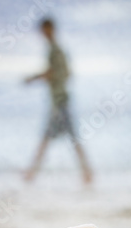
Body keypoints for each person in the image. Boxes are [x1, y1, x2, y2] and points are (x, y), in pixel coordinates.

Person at [24, 18, 92, 183]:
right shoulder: (55, 50)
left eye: (46, 30)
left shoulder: (55, 51)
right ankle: (86, 173)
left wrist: (34, 78)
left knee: (51, 138)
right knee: (66, 139)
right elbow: (64, 73)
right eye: (43, 30)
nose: (44, 33)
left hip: (60, 102)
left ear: (51, 29)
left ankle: (31, 174)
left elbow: (58, 73)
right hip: (60, 101)